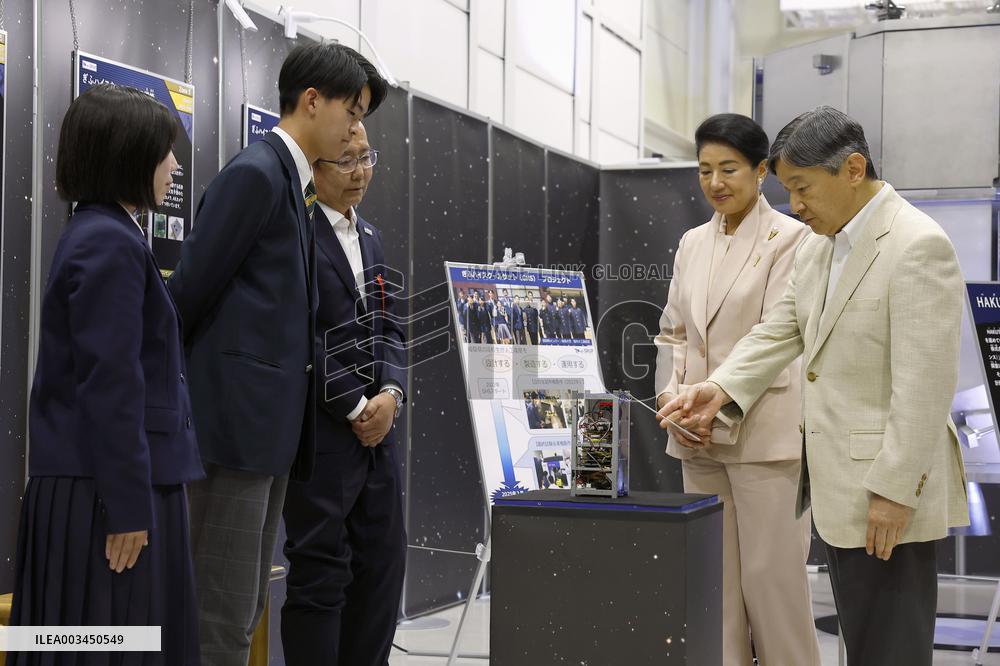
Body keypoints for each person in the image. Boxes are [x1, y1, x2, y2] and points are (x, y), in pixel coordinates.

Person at [660, 106, 970, 666]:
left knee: (891, 647)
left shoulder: (917, 243)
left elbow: (925, 386)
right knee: (865, 641)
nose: (795, 206)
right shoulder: (824, 245)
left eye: (802, 187)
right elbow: (780, 331)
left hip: (887, 491)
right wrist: (719, 389)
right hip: (841, 488)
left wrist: (894, 492)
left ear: (853, 169)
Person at [168, 43, 386, 665]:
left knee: (240, 615)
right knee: (220, 616)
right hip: (232, 439)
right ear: (312, 101)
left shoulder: (288, 182)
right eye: (352, 111)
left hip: (265, 442)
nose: (355, 130)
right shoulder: (257, 174)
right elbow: (186, 296)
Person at [9, 84, 204, 665]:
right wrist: (127, 506)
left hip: (95, 489)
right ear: (125, 155)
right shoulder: (110, 243)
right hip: (105, 496)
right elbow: (111, 384)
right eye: (162, 151)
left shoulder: (98, 234)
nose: (173, 165)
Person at [654, 113, 819, 666]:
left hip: (765, 439)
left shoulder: (792, 238)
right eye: (704, 170)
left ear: (762, 170)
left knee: (773, 589)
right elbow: (672, 332)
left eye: (729, 169)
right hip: (694, 439)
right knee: (713, 592)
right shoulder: (691, 242)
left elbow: (781, 337)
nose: (716, 182)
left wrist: (713, 410)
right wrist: (671, 403)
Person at [281, 123, 406, 666]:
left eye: (366, 158)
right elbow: (295, 333)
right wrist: (356, 404)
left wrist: (393, 394)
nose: (360, 172)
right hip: (323, 438)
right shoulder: (296, 232)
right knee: (318, 579)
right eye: (346, 160)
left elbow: (394, 328)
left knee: (382, 571)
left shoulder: (373, 236)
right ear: (315, 167)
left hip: (380, 441)